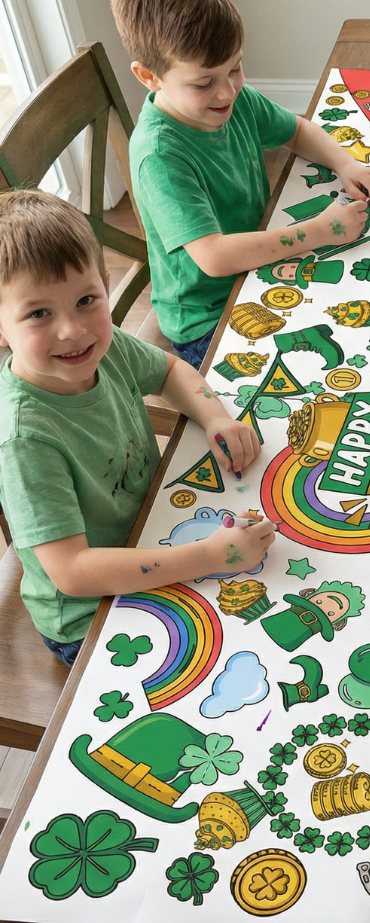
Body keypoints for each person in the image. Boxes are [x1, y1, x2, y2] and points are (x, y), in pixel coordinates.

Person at [0, 190, 276, 666]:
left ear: (104, 286)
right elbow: (73, 573)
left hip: (156, 522)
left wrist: (215, 417)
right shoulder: (24, 439)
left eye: (87, 299)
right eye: (39, 313)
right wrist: (209, 558)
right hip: (90, 613)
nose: (73, 330)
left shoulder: (105, 347)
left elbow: (171, 372)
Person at [108, 0, 370, 369]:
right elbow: (214, 257)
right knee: (335, 363)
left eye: (235, 67)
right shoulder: (160, 155)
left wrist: (344, 163)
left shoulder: (231, 99)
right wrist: (317, 232)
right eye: (204, 82)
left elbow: (296, 131)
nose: (227, 91)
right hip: (209, 318)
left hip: (262, 261)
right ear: (149, 77)